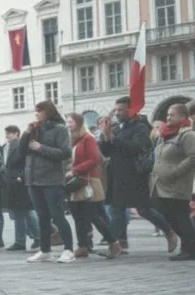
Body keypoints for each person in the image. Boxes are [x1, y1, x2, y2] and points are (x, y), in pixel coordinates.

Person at [98, 97, 174, 254]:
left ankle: (169, 231)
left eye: (121, 110)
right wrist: (105, 138)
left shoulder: (140, 127)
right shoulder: (116, 127)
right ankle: (114, 245)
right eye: (116, 110)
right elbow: (107, 152)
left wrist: (114, 139)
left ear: (131, 110)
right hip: (117, 174)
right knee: (118, 209)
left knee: (143, 210)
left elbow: (137, 147)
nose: (117, 113)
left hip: (135, 174)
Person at [18, 101, 75, 264]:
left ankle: (69, 249)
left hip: (51, 179)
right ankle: (45, 250)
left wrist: (41, 148)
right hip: (33, 179)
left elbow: (64, 153)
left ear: (48, 112)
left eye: (40, 111)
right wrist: (27, 132)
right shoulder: (35, 128)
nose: (37, 114)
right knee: (42, 216)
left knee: (57, 216)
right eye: (36, 111)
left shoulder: (60, 129)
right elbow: (21, 151)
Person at [66, 113, 122, 259]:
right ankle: (82, 246)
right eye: (67, 122)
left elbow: (94, 159)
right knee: (78, 216)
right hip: (77, 182)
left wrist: (74, 170)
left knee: (92, 216)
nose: (68, 124)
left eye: (71, 122)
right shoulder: (74, 140)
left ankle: (114, 243)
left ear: (78, 123)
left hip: (88, 181)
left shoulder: (88, 138)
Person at [151, 103, 195, 261]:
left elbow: (192, 157)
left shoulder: (187, 135)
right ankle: (188, 245)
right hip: (162, 185)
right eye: (168, 115)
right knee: (169, 216)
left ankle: (190, 248)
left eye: (173, 115)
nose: (168, 117)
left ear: (183, 117)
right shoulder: (166, 135)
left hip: (178, 184)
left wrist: (175, 173)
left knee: (180, 216)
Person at [2, 125, 39, 251]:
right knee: (25, 212)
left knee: (21, 212)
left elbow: (26, 163)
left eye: (10, 133)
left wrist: (20, 177)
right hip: (13, 183)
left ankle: (21, 241)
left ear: (17, 134)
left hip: (19, 183)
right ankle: (39, 237)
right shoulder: (7, 146)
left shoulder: (18, 146)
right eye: (6, 133)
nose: (7, 136)